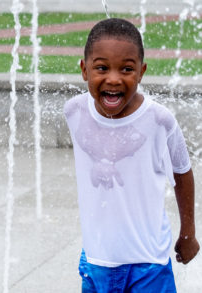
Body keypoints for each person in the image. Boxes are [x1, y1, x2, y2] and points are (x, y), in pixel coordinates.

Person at [64, 18, 200, 292]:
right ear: (84, 70)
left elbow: (182, 171)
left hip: (148, 263)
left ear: (141, 72)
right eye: (101, 67)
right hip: (96, 260)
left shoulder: (160, 120)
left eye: (127, 69)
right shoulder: (74, 112)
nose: (113, 78)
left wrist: (188, 232)